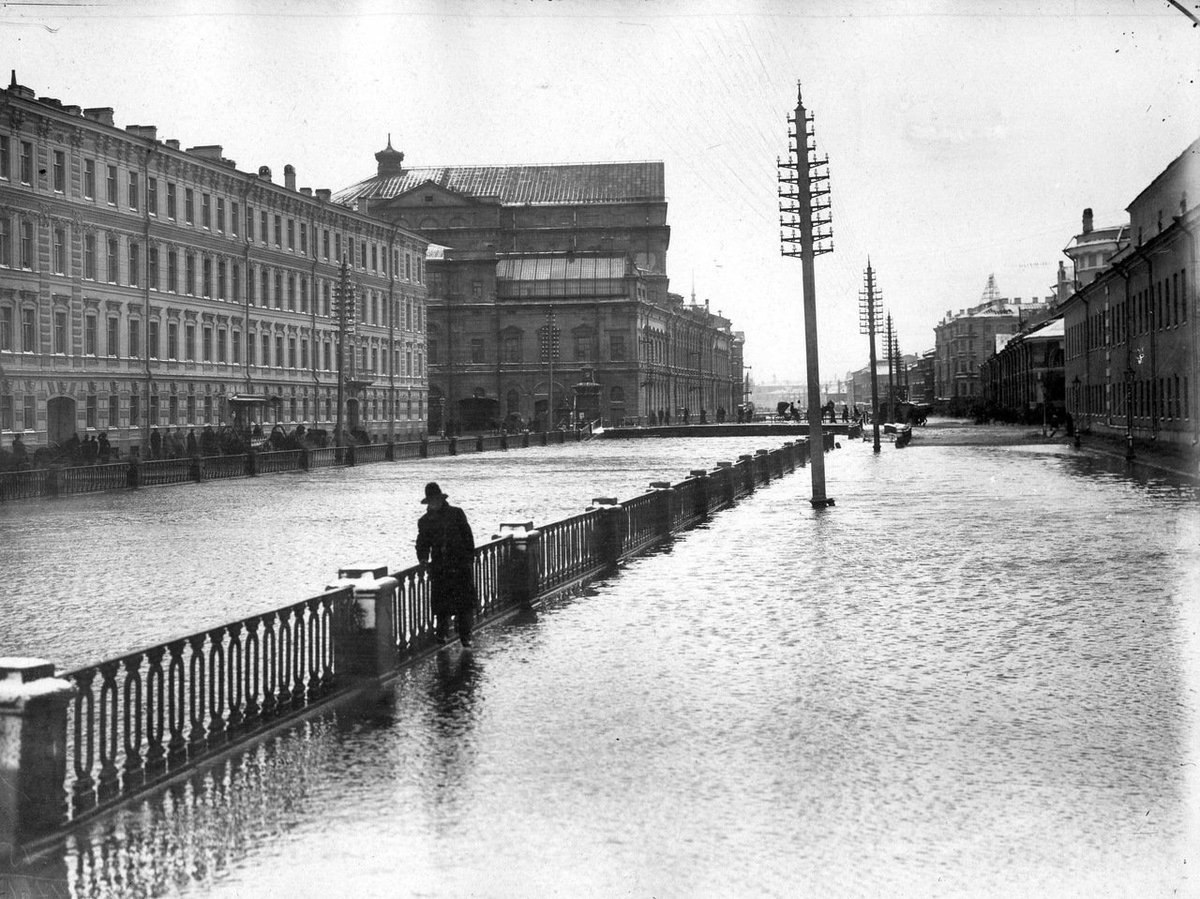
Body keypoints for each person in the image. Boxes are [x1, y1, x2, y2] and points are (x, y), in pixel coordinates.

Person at [415, 482, 476, 648]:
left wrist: (469, 558)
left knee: (463, 605)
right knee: (441, 606)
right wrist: (423, 559)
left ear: (441, 499)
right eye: (431, 501)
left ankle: (465, 637)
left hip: (459, 566)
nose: (433, 503)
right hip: (440, 569)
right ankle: (441, 636)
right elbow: (422, 543)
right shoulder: (425, 521)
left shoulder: (456, 514)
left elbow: (468, 537)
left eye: (435, 500)